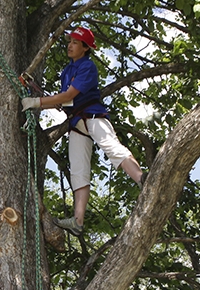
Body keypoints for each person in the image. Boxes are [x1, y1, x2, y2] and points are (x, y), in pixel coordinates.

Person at [21, 27, 144, 234]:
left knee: (111, 147)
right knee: (78, 170)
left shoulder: (87, 67)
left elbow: (67, 95)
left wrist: (36, 102)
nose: (70, 45)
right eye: (70, 41)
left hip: (93, 116)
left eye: (76, 42)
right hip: (76, 122)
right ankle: (78, 221)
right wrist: (40, 99)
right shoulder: (68, 71)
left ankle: (143, 180)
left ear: (86, 48)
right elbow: (65, 100)